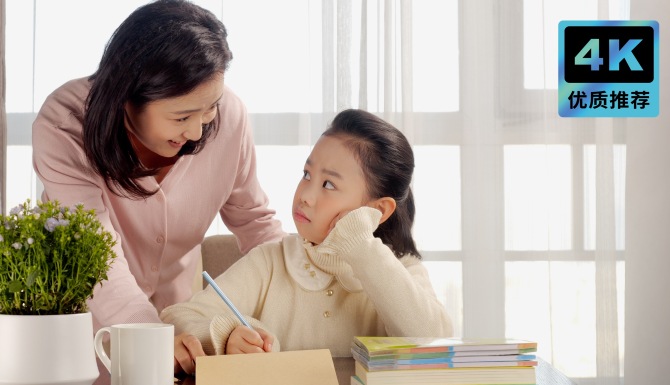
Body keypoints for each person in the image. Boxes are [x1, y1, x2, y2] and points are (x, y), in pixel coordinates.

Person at [32, 0, 285, 338]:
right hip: (80, 335)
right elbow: (96, 255)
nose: (197, 131)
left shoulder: (230, 116)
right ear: (127, 97)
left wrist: (298, 292)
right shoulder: (64, 125)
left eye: (209, 108)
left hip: (179, 330)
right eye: (181, 118)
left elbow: (255, 223)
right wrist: (153, 336)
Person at [160, 108, 454, 375]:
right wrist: (226, 337)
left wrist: (361, 245)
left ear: (378, 211)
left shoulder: (403, 268)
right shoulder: (271, 262)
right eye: (306, 174)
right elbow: (180, 316)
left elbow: (432, 340)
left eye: (328, 184)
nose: (305, 195)